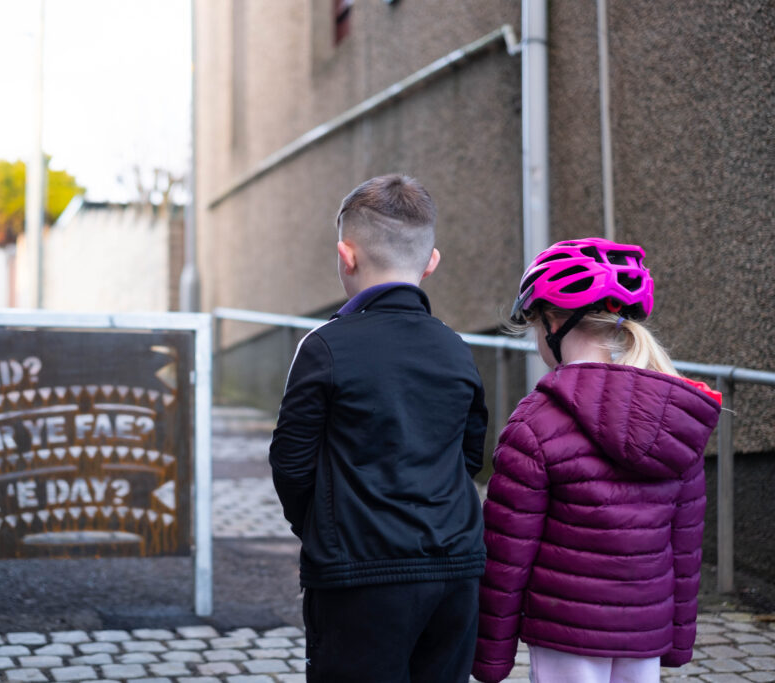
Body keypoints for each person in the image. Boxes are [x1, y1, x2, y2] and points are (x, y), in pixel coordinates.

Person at [472, 237, 723, 683]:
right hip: (644, 633)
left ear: (553, 323)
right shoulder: (676, 415)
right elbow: (684, 546)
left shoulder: (534, 423)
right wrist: (678, 641)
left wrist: (490, 656)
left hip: (563, 633)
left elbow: (507, 556)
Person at [269, 174, 489, 683]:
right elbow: (470, 453)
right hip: (454, 569)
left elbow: (291, 462)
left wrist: (322, 528)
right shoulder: (456, 347)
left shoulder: (323, 346)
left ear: (345, 256)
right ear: (431, 263)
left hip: (358, 575)